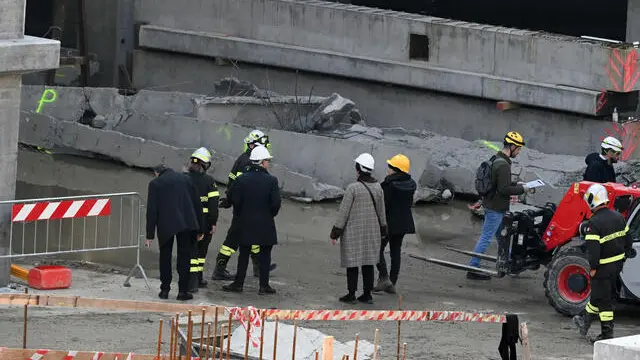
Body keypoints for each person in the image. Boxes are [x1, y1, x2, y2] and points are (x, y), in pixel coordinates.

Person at [573, 183, 634, 342]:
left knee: (604, 302)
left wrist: (592, 267)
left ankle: (606, 335)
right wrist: (624, 256)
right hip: (616, 266)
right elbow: (628, 239)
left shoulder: (594, 223)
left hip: (602, 268)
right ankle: (583, 322)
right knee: (599, 296)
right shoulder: (619, 217)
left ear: (593, 201)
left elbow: (593, 250)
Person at [213, 129, 277, 280]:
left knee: (255, 237)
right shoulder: (247, 162)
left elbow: (233, 183)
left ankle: (259, 267)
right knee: (233, 239)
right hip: (244, 209)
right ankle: (219, 269)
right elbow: (239, 186)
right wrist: (231, 200)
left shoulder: (244, 158)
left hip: (245, 207)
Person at [467, 131, 530, 280]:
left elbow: (500, 184)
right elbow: (504, 189)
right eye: (519, 148)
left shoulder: (497, 159)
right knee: (486, 237)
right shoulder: (503, 165)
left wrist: (516, 184)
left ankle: (508, 263)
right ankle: (472, 267)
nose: (519, 152)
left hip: (496, 206)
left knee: (503, 238)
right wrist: (523, 189)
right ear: (512, 146)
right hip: (496, 208)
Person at [221, 145, 281, 294]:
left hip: (245, 221)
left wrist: (242, 214)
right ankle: (264, 286)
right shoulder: (272, 180)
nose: (268, 163)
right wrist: (268, 215)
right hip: (265, 223)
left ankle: (238, 283)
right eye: (267, 160)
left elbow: (235, 199)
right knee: (265, 254)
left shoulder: (242, 179)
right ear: (262, 162)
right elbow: (275, 204)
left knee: (244, 253)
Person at [330, 153, 387, 304]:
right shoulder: (378, 188)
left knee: (352, 263)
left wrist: (335, 232)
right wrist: (383, 230)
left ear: (358, 169)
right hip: (372, 232)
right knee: (368, 262)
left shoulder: (353, 188)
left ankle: (351, 294)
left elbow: (343, 213)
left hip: (353, 232)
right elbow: (382, 212)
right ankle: (367, 294)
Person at [145, 165, 205, 301]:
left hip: (166, 225)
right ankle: (183, 292)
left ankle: (165, 290)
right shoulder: (186, 179)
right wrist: (200, 228)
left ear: (156, 173)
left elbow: (152, 210)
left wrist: (150, 234)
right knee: (184, 258)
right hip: (186, 224)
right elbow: (197, 204)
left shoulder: (155, 184)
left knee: (165, 257)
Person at [373, 154, 416, 294]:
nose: (388, 169)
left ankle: (384, 278)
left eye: (390, 166)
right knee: (395, 252)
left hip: (388, 223)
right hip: (403, 223)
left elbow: (383, 205)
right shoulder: (411, 184)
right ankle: (392, 282)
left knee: (376, 250)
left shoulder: (389, 185)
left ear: (396, 169)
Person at [184, 147, 219, 292]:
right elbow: (213, 205)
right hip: (203, 222)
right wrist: (213, 222)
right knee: (200, 253)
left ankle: (188, 279)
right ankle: (197, 279)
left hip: (185, 221)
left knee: (187, 251)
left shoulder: (183, 178)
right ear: (206, 165)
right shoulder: (209, 181)